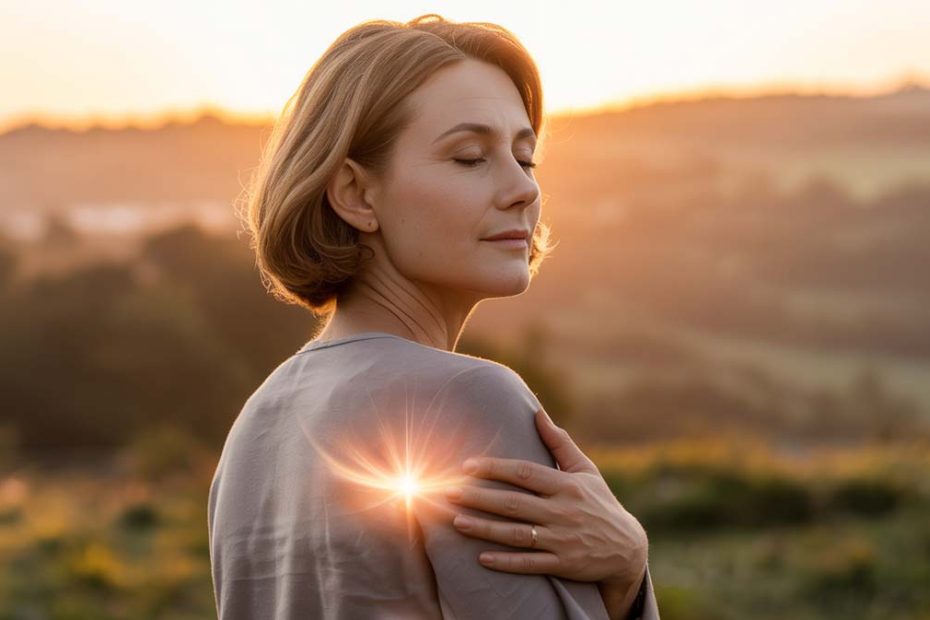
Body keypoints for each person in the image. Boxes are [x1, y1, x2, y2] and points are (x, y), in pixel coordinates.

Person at [209, 13, 659, 620]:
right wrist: (630, 567)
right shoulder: (469, 397)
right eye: (470, 157)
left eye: (525, 159)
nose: (523, 189)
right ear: (356, 194)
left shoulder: (254, 430)